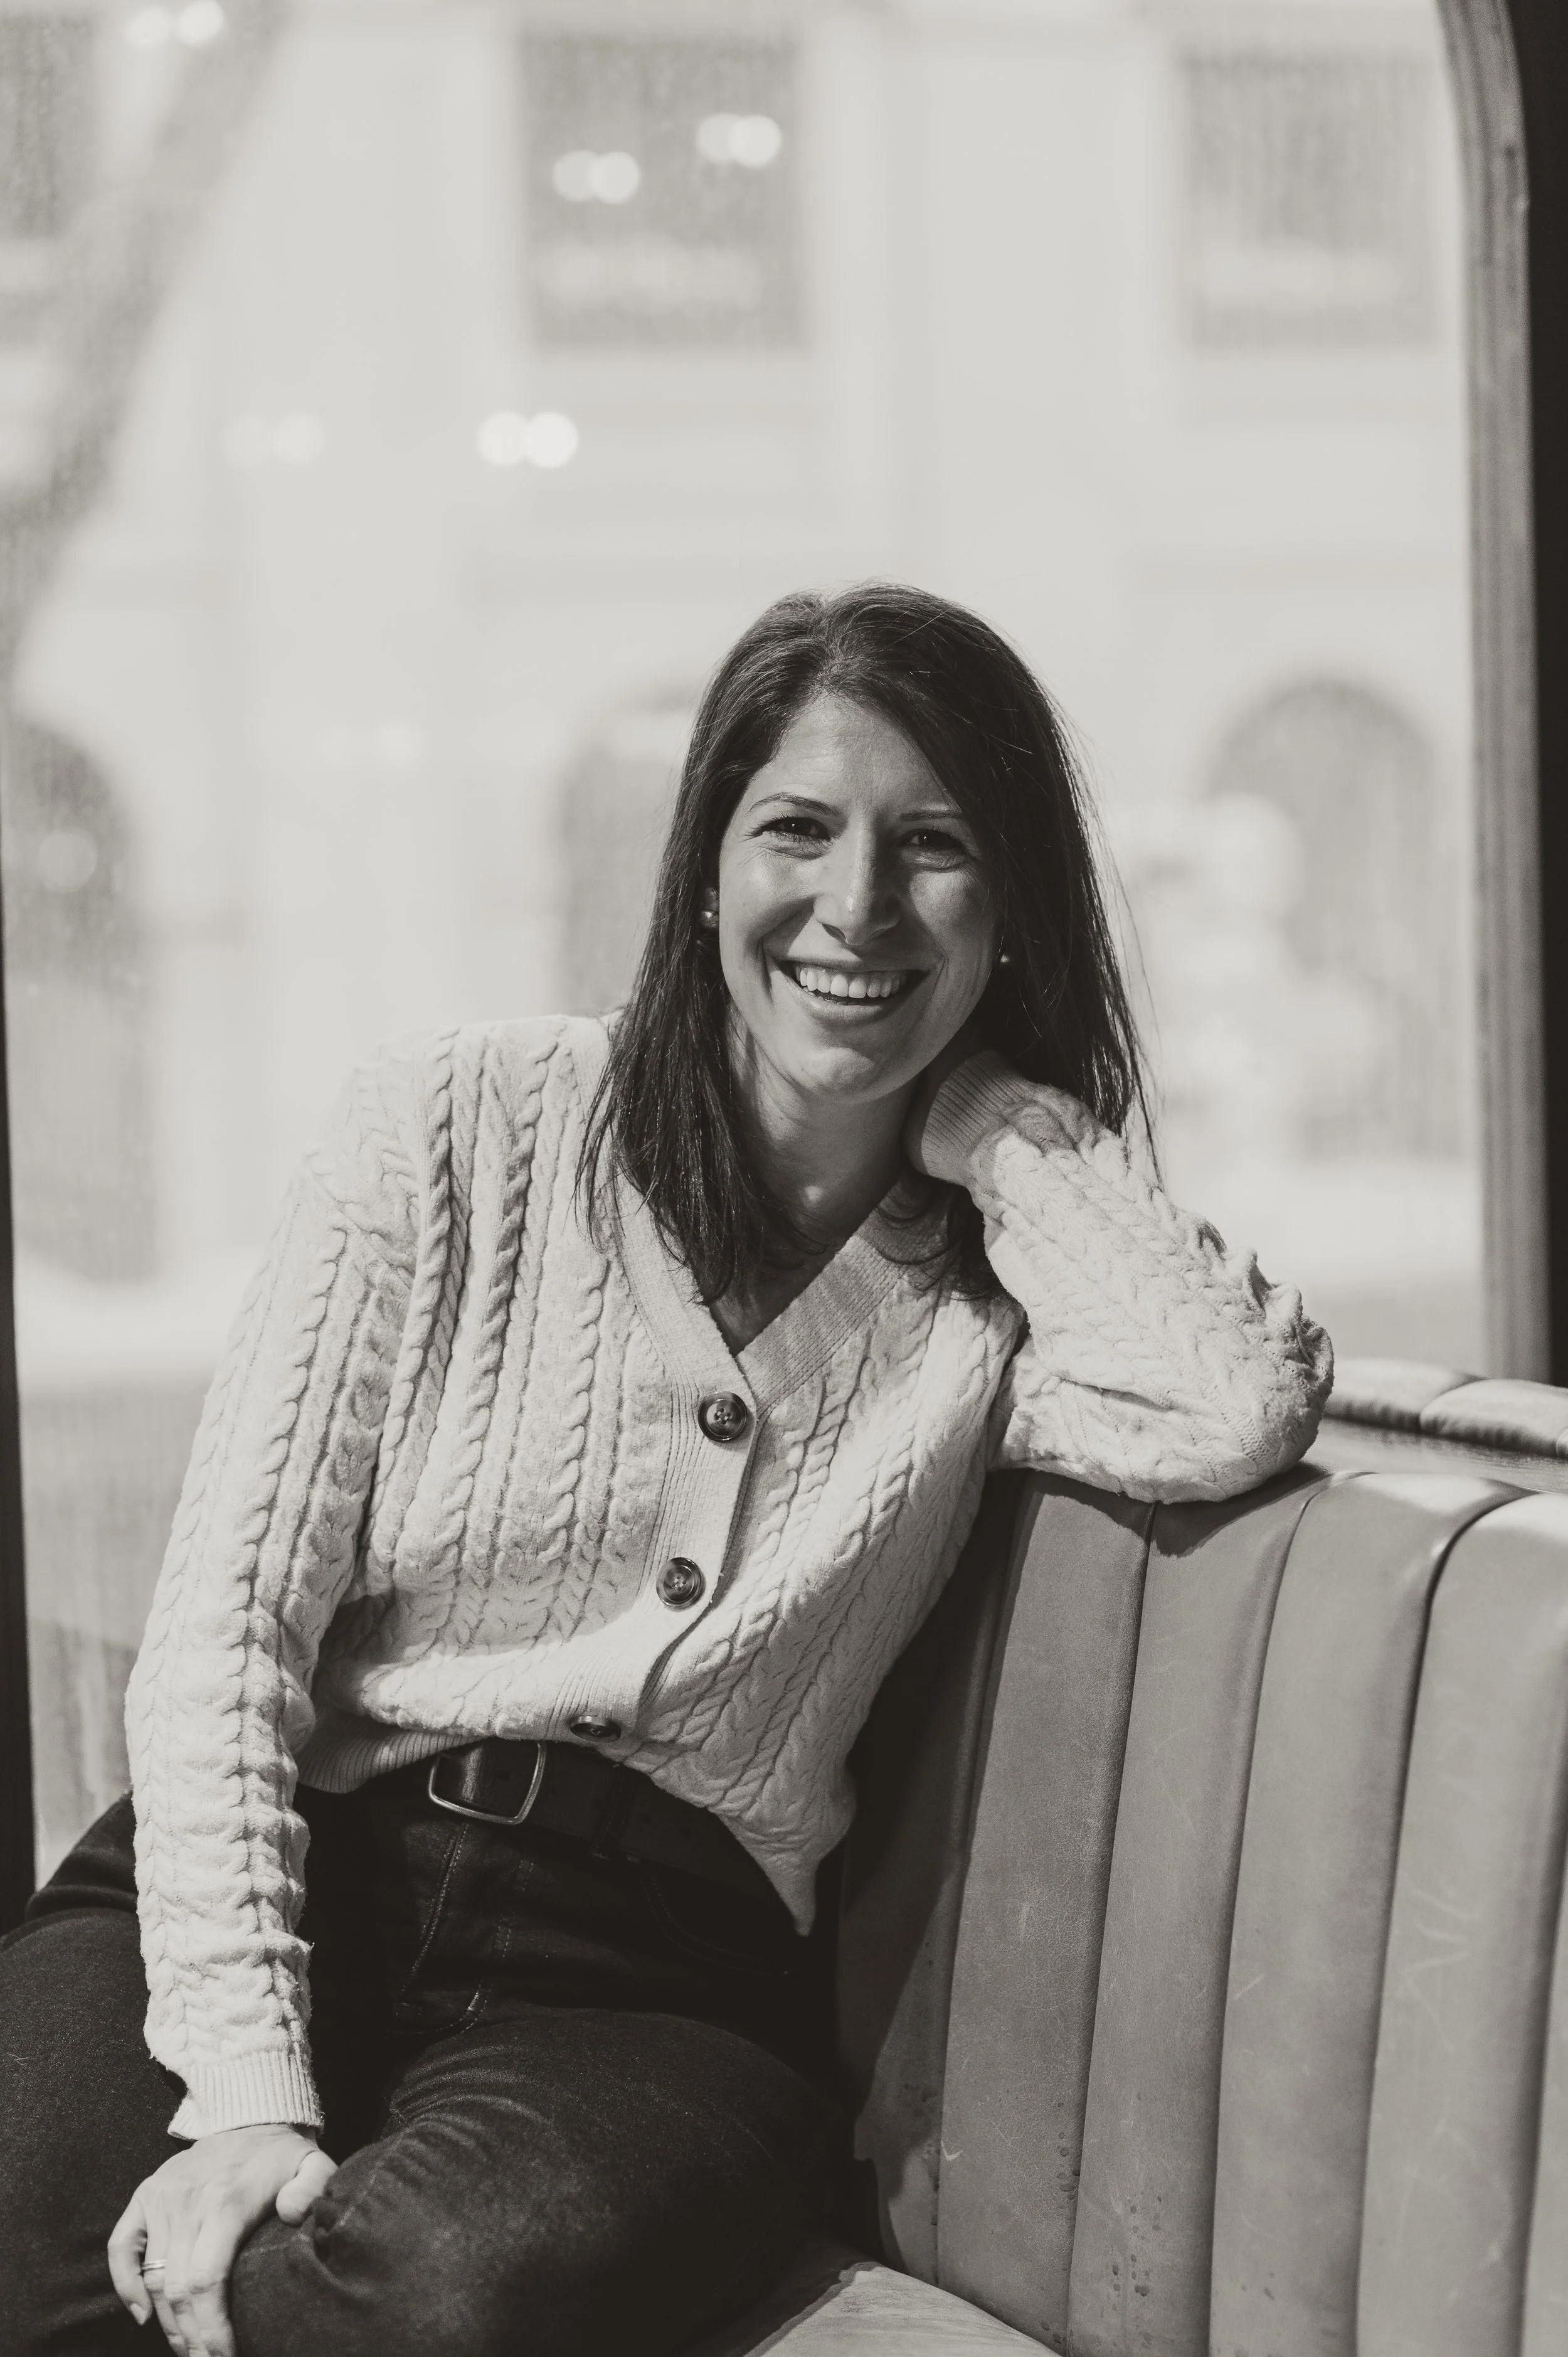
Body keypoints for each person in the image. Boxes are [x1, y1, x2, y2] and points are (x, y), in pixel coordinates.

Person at [0, 584, 1332, 2357]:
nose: (853, 907)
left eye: (934, 848)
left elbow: (1229, 1399)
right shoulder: (454, 1124)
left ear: (1012, 906)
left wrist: (996, 1123)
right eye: (797, 828)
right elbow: (225, 1628)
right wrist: (244, 2084)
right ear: (703, 866)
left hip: (645, 1979)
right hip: (309, 1845)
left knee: (447, 2311)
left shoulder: (990, 1298)